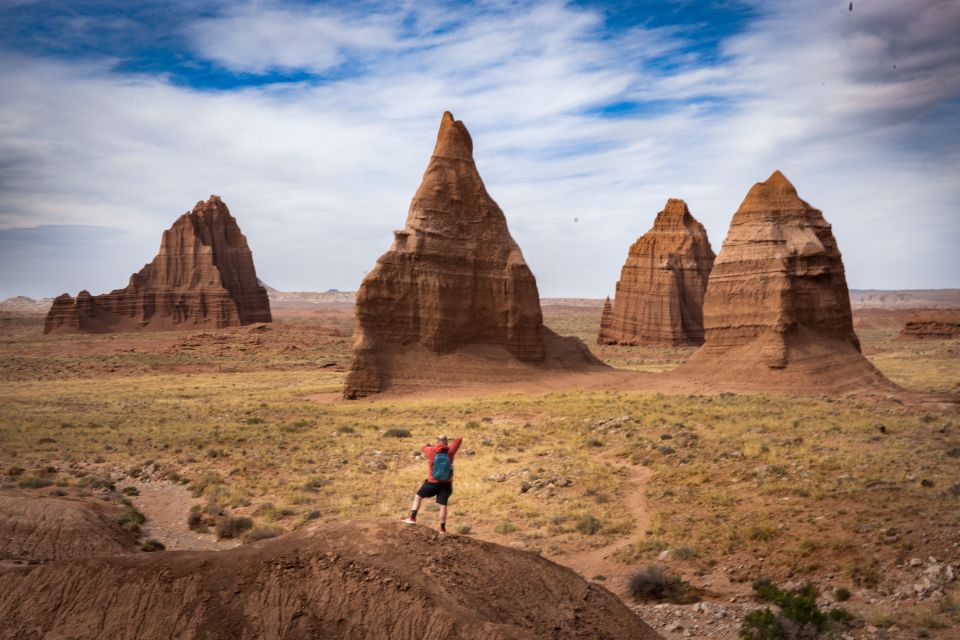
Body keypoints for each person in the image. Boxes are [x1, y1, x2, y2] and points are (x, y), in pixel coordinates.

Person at [402, 433, 462, 534]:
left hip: (432, 482)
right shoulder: (451, 451)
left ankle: (412, 518)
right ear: (446, 442)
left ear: (437, 441)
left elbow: (423, 447)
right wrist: (450, 438)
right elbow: (459, 438)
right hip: (447, 483)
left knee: (418, 497)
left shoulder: (431, 451)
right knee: (443, 505)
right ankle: (442, 529)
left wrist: (430, 446)